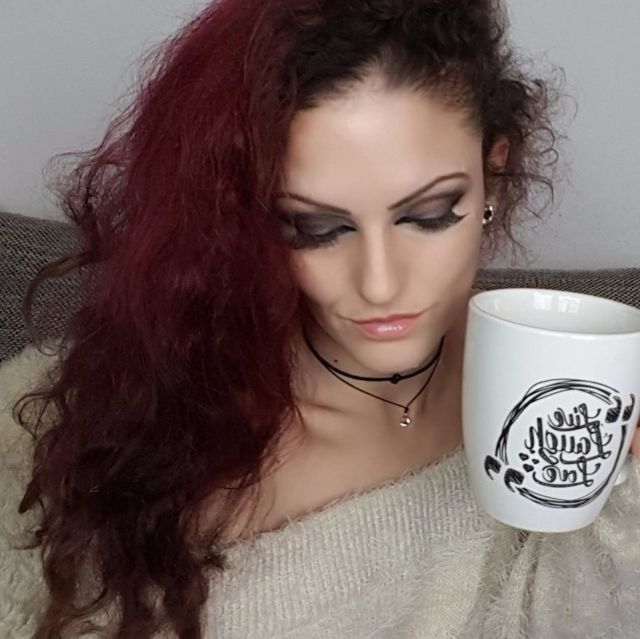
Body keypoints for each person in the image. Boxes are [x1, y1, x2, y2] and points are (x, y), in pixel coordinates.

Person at [1, 1, 639, 637]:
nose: (380, 284)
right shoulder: (162, 418)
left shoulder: (571, 394)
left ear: (492, 175)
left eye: (428, 215)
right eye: (316, 227)